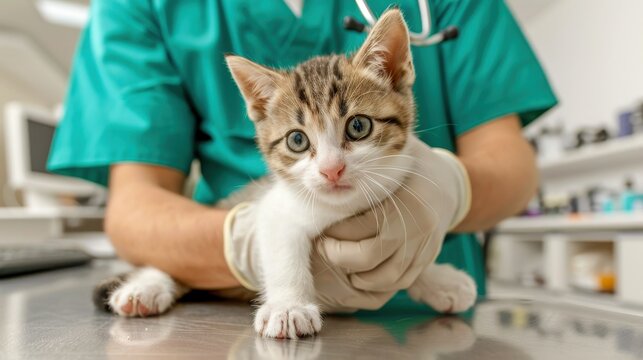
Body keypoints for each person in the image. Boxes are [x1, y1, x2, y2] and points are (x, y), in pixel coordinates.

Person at [48, 0, 556, 310]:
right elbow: (134, 206)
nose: (331, 164)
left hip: (427, 329)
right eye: (300, 142)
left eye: (357, 127)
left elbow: (512, 163)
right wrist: (234, 249)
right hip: (228, 302)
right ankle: (171, 275)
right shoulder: (144, 6)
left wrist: (456, 187)